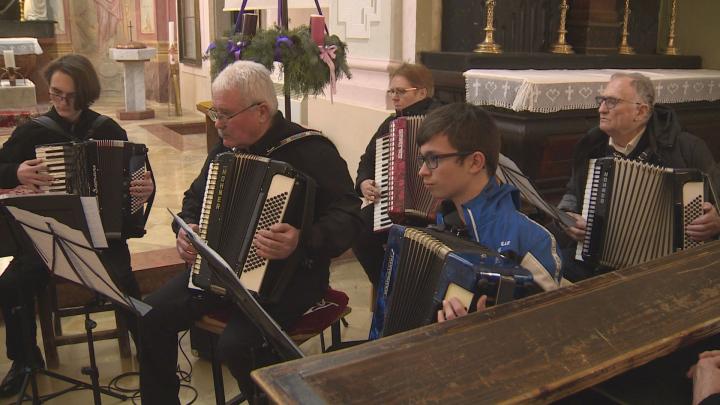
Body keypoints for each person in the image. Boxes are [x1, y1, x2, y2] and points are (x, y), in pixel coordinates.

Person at [138, 60, 362, 404]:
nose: (218, 123)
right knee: (150, 314)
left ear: (261, 111)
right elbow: (193, 200)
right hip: (221, 272)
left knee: (238, 346)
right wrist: (185, 229)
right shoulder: (225, 149)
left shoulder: (312, 150)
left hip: (292, 278)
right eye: (216, 113)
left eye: (225, 114)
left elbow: (349, 213)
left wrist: (302, 239)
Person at [0, 54, 154, 396]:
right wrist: (17, 173)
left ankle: (149, 353)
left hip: (104, 240)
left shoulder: (109, 130)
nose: (63, 102)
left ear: (87, 94)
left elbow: (138, 180)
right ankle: (25, 360)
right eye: (56, 94)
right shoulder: (32, 133)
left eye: (71, 96)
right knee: (11, 284)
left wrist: (145, 190)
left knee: (123, 280)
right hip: (46, 238)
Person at [557, 72, 720, 281]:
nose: (601, 109)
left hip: (667, 270)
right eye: (601, 100)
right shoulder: (590, 147)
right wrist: (567, 217)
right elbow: (572, 194)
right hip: (594, 261)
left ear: (641, 111)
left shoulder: (687, 148)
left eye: (611, 102)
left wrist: (716, 222)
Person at [409, 103, 562, 323]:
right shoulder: (444, 223)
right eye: (423, 160)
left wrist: (487, 328)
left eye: (433, 159)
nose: (422, 171)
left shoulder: (532, 241)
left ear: (475, 162)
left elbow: (549, 327)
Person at [353, 63, 443, 287]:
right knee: (357, 229)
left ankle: (409, 290)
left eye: (400, 91)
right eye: (391, 91)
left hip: (436, 211)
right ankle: (387, 289)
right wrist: (364, 182)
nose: (394, 97)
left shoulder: (442, 120)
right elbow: (367, 160)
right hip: (393, 208)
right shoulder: (390, 123)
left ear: (422, 92)